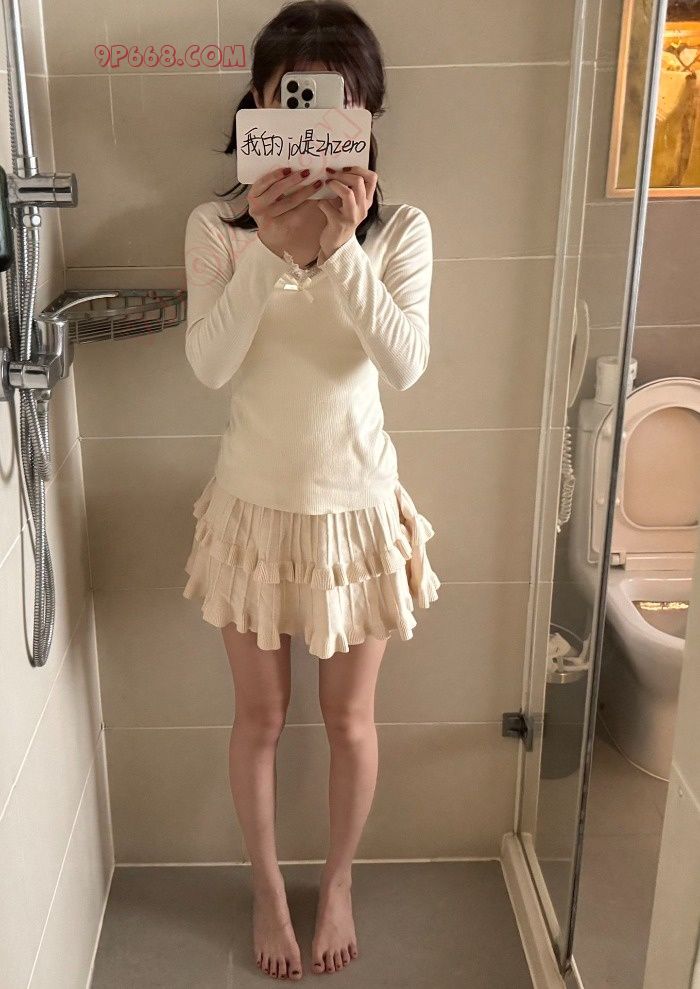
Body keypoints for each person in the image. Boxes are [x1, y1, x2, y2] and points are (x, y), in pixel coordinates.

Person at [182, 0, 441, 979]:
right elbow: (209, 366)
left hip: (357, 514)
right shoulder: (217, 227)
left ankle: (337, 882)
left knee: (348, 720)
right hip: (251, 511)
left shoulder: (400, 230)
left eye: (336, 100)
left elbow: (405, 364)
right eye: (288, 96)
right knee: (257, 717)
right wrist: (269, 243)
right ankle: (264, 886)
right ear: (256, 105)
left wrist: (338, 253)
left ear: (363, 114)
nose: (311, 121)